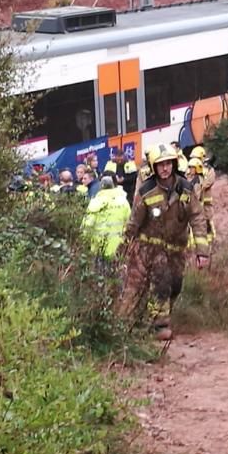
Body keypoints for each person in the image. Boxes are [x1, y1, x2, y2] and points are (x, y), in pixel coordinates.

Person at [119, 143, 210, 340]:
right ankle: (155, 326)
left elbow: (197, 217)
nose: (165, 168)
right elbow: (134, 222)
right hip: (149, 247)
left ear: (174, 164)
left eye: (168, 164)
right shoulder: (146, 191)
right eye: (160, 165)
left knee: (175, 284)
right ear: (154, 167)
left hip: (176, 249)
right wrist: (123, 248)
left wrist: (202, 252)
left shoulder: (186, 189)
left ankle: (150, 318)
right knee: (158, 280)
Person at [81, 176, 130, 261]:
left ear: (101, 187)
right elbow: (129, 223)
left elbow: (88, 225)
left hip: (98, 246)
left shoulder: (95, 202)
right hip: (118, 246)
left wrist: (83, 241)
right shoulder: (123, 202)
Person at [190, 146, 216, 244]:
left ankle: (211, 239)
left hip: (206, 199)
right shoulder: (193, 168)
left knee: (208, 218)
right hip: (197, 199)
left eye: (195, 157)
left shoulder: (208, 169)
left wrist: (201, 186)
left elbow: (210, 180)